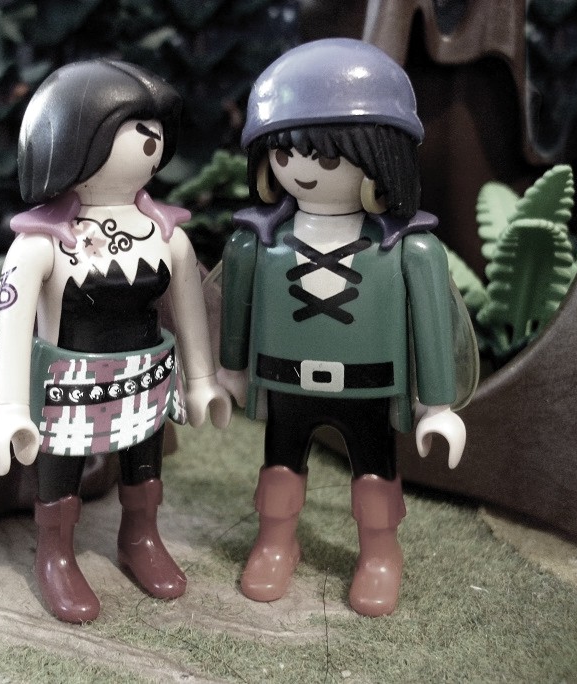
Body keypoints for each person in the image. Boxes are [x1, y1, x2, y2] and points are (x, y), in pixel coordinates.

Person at [218, 38, 466, 617]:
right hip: (285, 380)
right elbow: (236, 316)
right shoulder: (257, 244)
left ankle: (380, 553)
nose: (303, 170)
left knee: (374, 467)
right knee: (280, 462)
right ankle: (275, 540)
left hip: (369, 387)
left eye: (328, 158)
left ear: (381, 157)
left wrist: (437, 405)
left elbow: (432, 326)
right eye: (286, 154)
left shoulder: (409, 250)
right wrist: (229, 372)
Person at [0, 59, 230, 623]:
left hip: (147, 376)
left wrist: (202, 380)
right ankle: (55, 554)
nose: (151, 140)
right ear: (72, 140)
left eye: (154, 129)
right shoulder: (40, 244)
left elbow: (188, 310)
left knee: (145, 464)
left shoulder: (167, 235)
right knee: (59, 473)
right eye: (134, 128)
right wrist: (9, 410)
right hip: (66, 385)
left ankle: (140, 537)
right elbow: (11, 328)